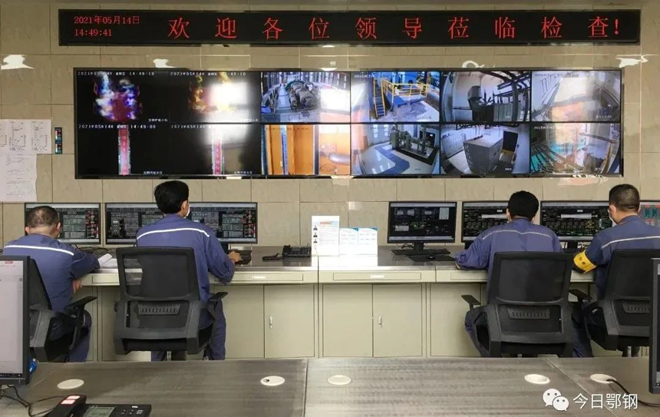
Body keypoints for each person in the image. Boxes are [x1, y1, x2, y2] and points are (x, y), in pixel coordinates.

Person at [136, 180, 241, 361]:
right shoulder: (202, 233)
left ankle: (156, 366)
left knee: (158, 308)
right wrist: (231, 259)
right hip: (192, 317)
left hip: (153, 317)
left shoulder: (143, 235)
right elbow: (225, 273)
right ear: (184, 204)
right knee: (216, 307)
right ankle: (217, 366)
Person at [455, 191, 562, 356]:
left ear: (507, 212)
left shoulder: (492, 235)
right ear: (534, 215)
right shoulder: (549, 236)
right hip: (544, 317)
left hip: (502, 319)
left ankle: (496, 361)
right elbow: (559, 269)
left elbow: (466, 261)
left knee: (471, 320)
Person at [572, 184, 660, 357]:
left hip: (615, 318)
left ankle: (584, 365)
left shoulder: (606, 238)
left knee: (574, 313)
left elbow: (580, 265)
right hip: (654, 317)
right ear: (638, 208)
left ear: (612, 209)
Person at [3, 206, 99, 362]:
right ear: (58, 227)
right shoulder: (67, 253)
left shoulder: (8, 250)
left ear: (27, 229)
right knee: (84, 319)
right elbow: (93, 262)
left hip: (14, 327)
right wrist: (76, 274)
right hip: (52, 328)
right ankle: (73, 370)